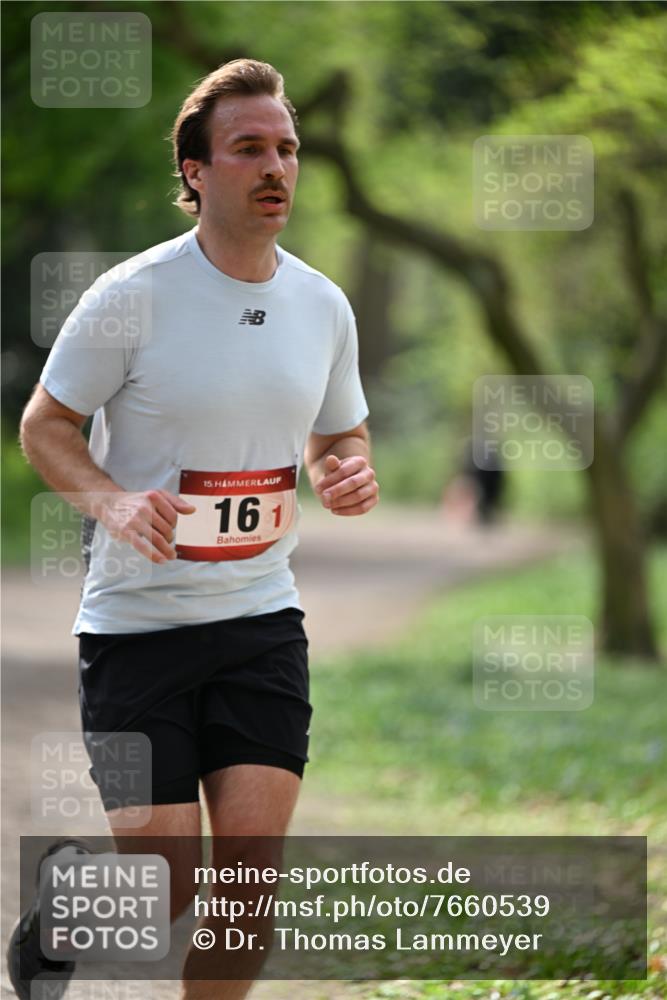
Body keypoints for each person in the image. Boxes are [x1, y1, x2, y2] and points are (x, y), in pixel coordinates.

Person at [11, 58, 379, 1000]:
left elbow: (338, 428)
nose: (276, 168)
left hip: (259, 622)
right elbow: (44, 425)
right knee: (164, 881)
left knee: (247, 889)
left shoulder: (321, 304)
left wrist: (343, 467)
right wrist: (113, 501)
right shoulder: (131, 296)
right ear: (195, 172)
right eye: (248, 148)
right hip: (137, 631)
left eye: (287, 149)